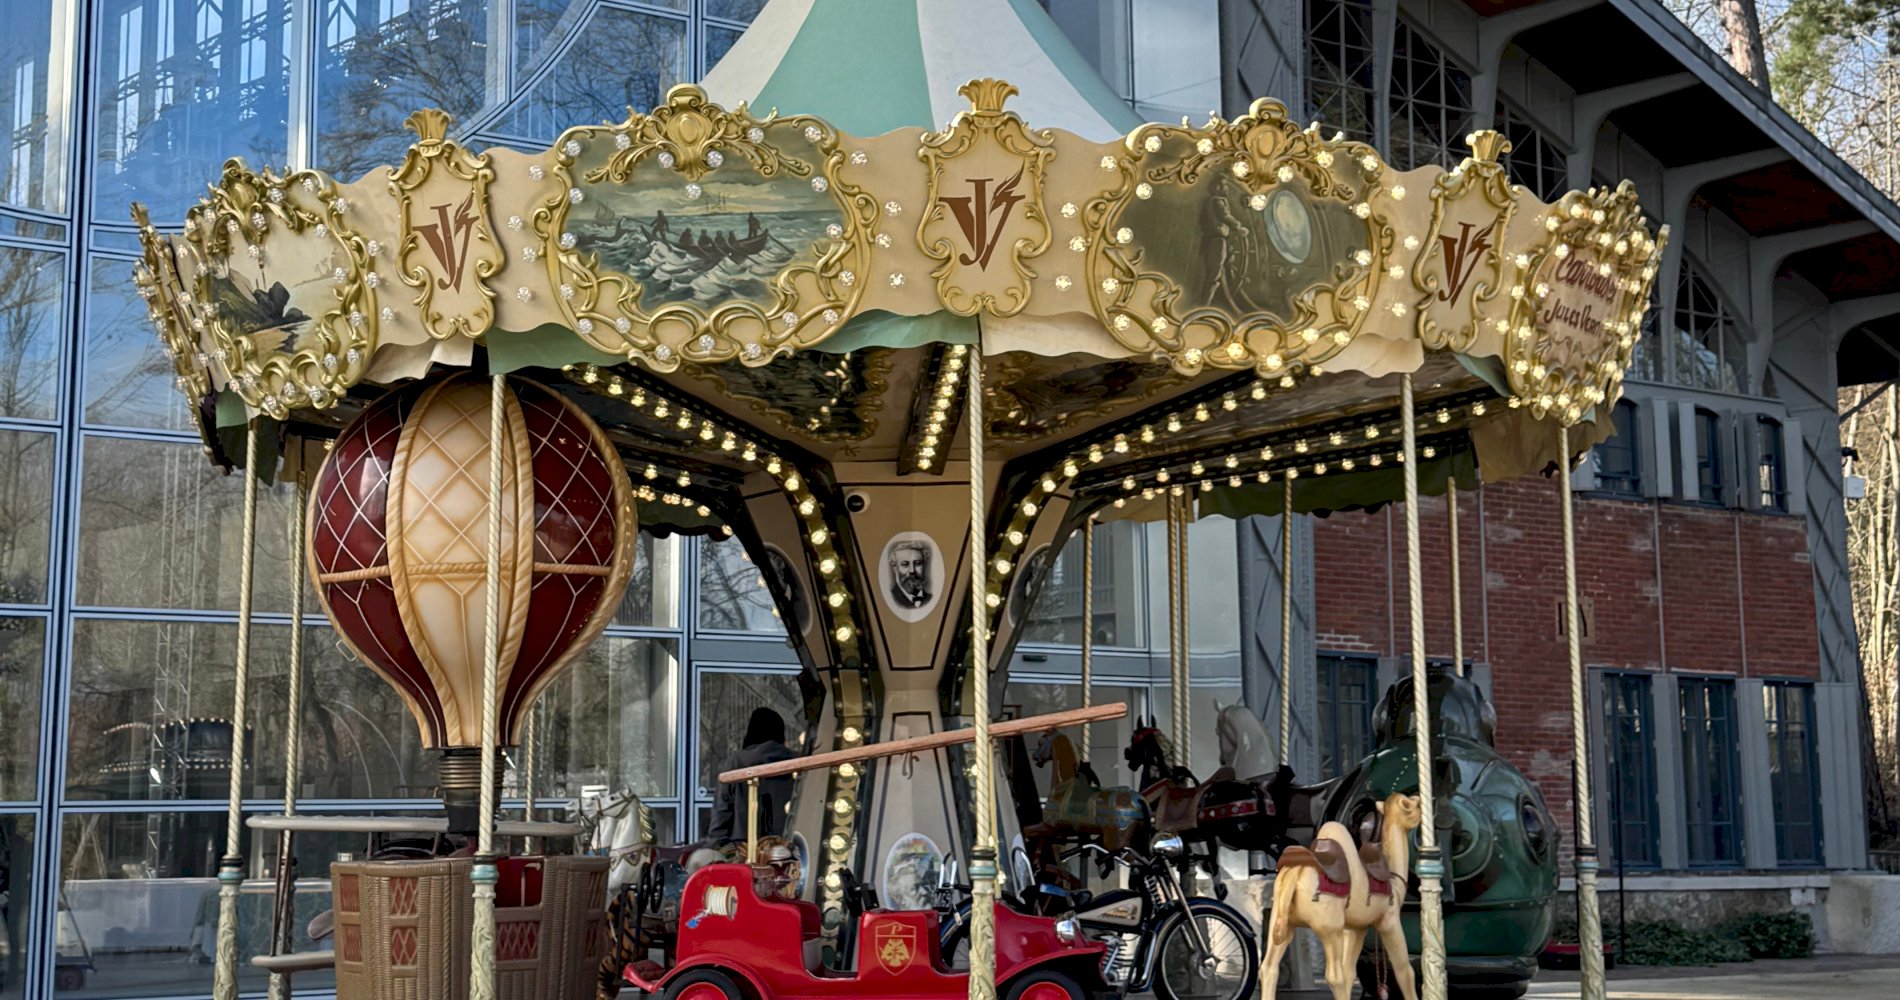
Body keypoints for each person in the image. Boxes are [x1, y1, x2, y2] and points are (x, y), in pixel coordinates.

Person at [707, 708, 796, 844]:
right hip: (789, 848)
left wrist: (716, 847)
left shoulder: (736, 762)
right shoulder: (798, 762)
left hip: (743, 849)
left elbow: (722, 813)